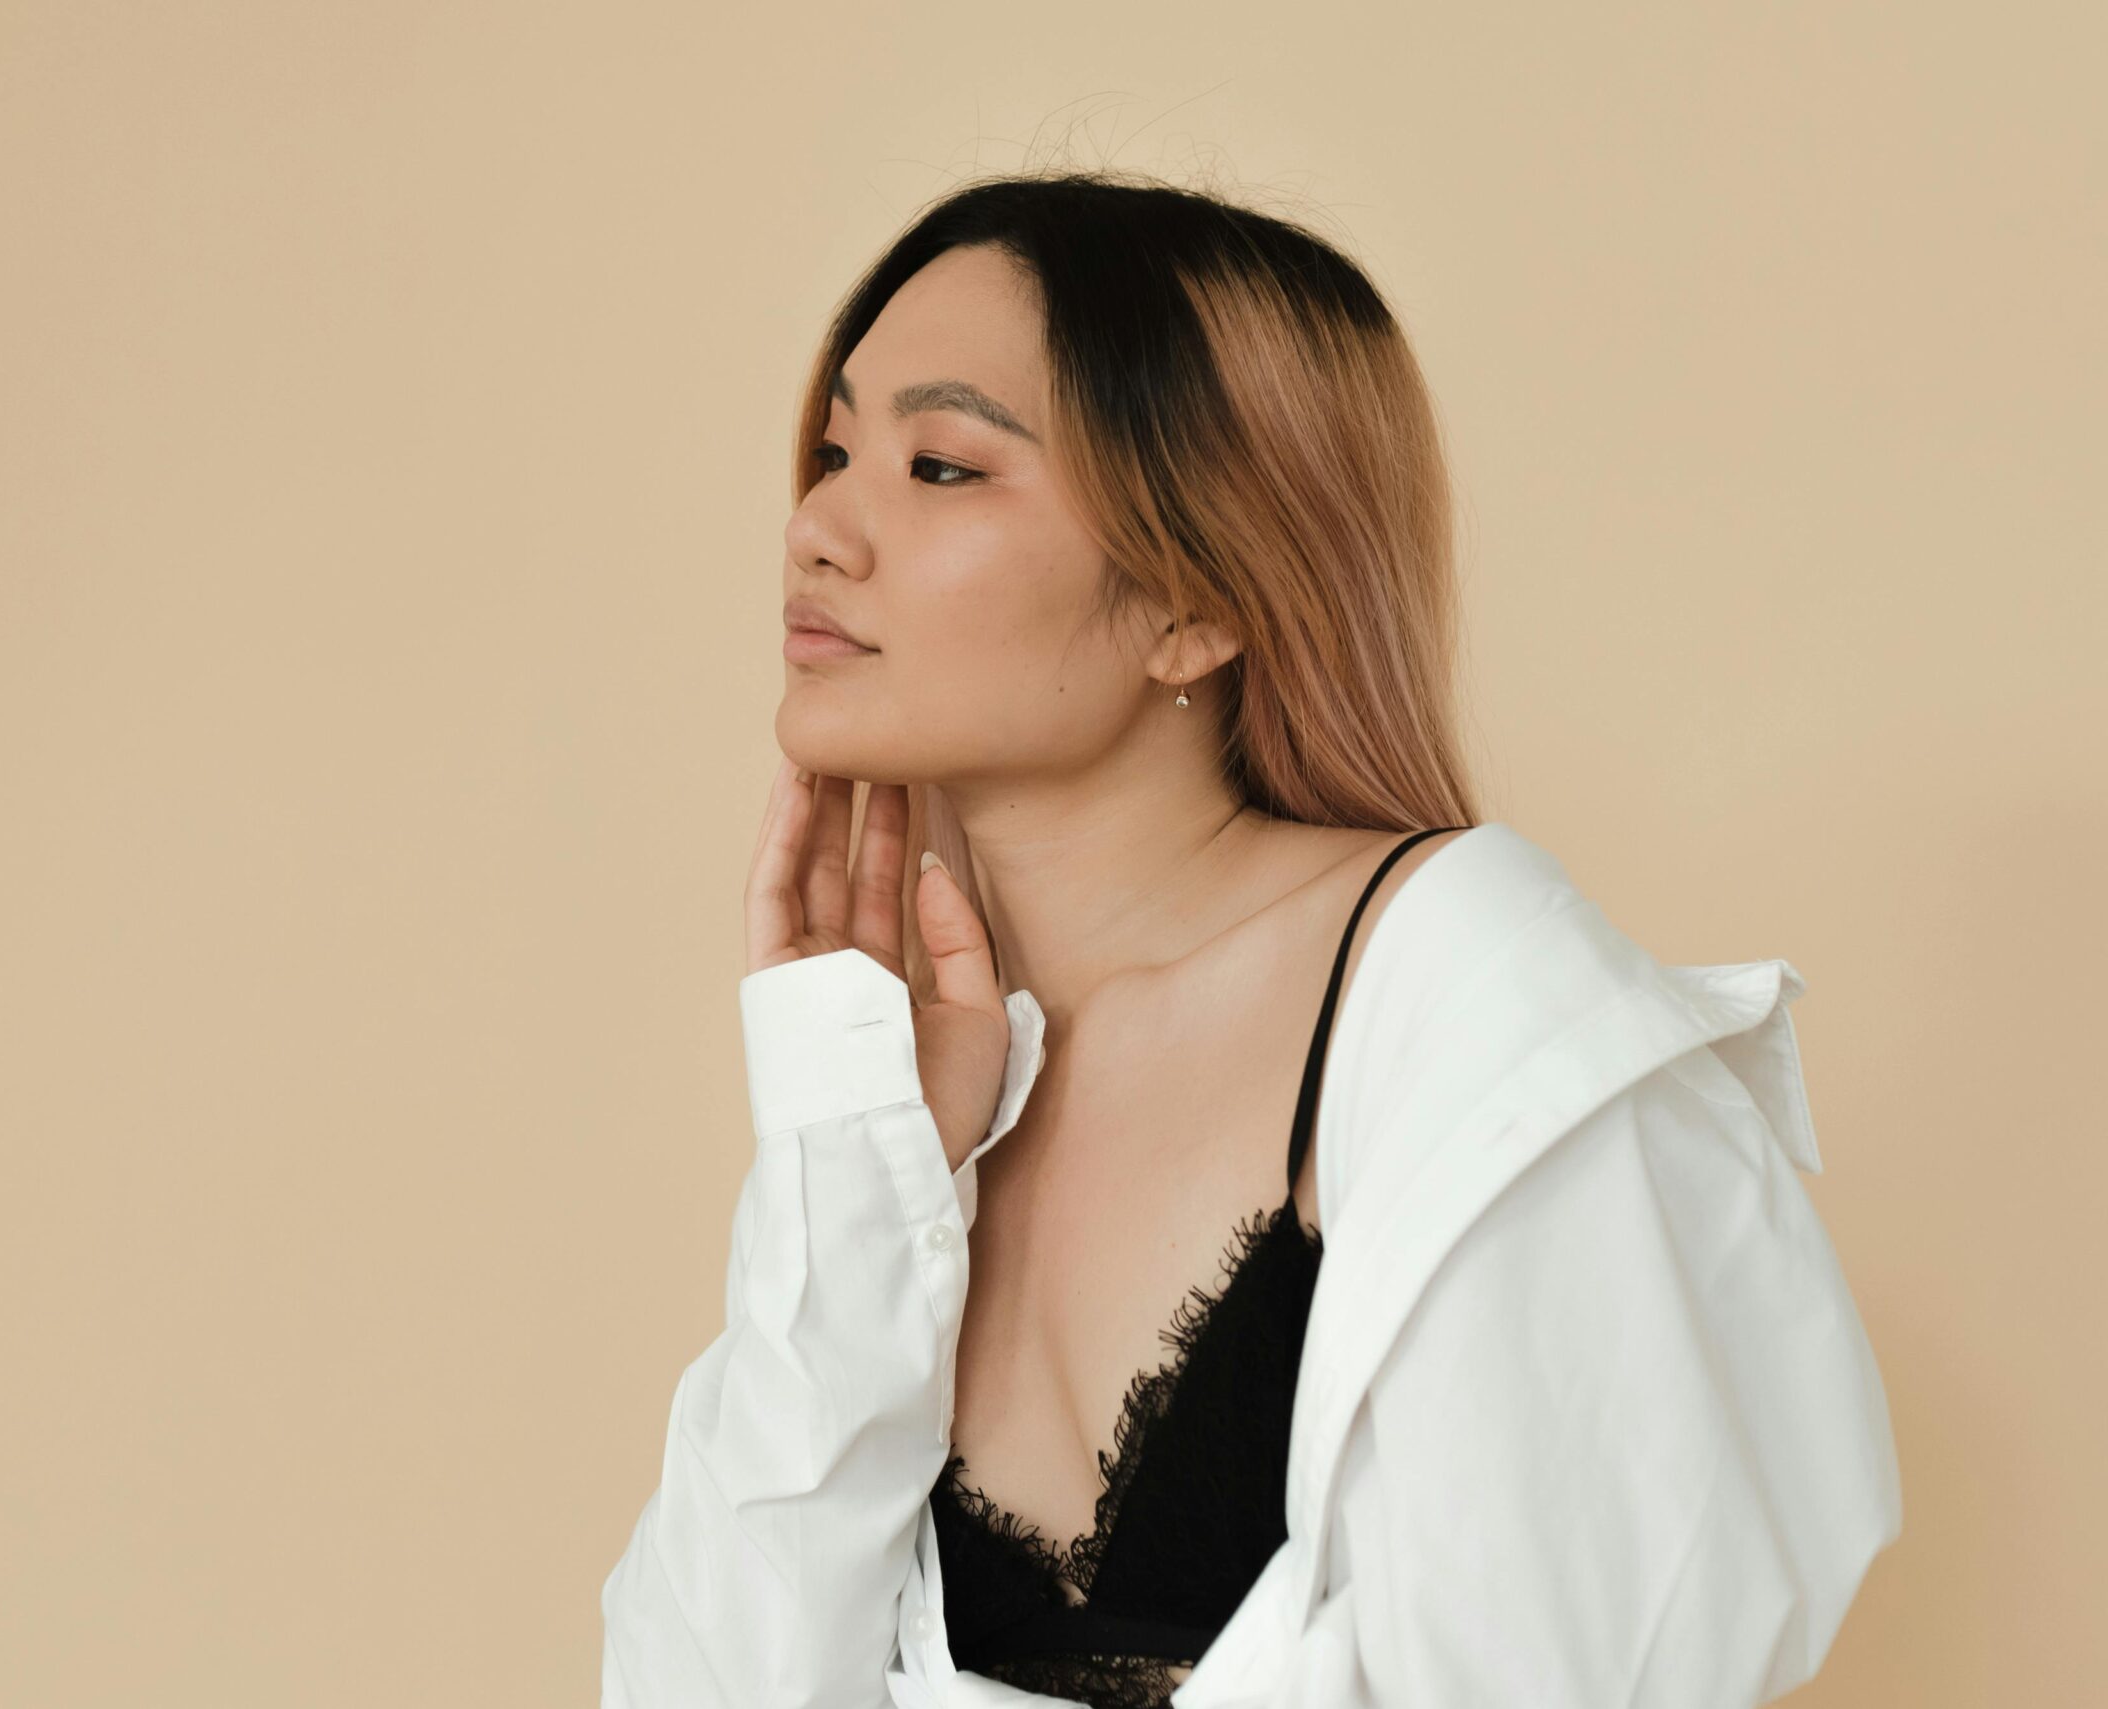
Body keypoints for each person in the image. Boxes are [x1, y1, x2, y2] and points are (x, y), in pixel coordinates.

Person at [598, 171, 1901, 1708]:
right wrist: (849, 1158)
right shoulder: (926, 1093)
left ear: (1193, 601)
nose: (817, 528)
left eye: (941, 465)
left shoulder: (1471, 1003)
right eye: (832, 452)